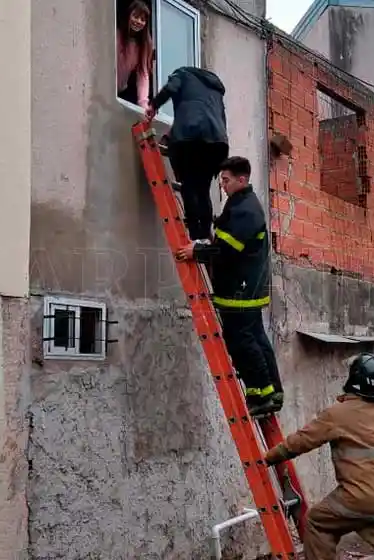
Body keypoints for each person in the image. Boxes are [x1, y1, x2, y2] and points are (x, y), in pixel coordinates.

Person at [264, 353, 374, 560]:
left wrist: (267, 458)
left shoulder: (338, 414)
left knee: (317, 522)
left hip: (355, 499)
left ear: (353, 379)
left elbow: (300, 441)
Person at [175, 156, 283, 417]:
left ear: (241, 179)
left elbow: (227, 250)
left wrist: (196, 250)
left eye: (226, 180)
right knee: (255, 337)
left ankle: (263, 393)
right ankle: (271, 392)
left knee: (242, 341)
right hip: (246, 287)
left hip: (240, 288)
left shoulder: (245, 209)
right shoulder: (241, 205)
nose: (222, 184)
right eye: (221, 179)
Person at [145, 66, 229, 242]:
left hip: (191, 138)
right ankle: (205, 233)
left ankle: (195, 236)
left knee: (189, 183)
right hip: (217, 143)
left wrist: (153, 105)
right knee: (203, 188)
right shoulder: (213, 89)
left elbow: (170, 89)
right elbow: (214, 117)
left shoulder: (182, 74)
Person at [117, 0, 153, 110]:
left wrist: (143, 105)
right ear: (128, 15)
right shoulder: (116, 35)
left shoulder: (143, 45)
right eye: (135, 16)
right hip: (105, 87)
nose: (138, 21)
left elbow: (143, 74)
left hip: (120, 91)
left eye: (143, 19)